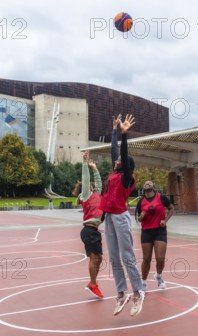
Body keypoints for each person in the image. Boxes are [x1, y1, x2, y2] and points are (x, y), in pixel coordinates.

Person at [99, 114, 145, 317]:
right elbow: (114, 151)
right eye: (116, 160)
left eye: (120, 160)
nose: (116, 160)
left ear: (126, 165)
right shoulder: (114, 174)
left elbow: (122, 154)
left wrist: (124, 135)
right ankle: (121, 294)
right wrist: (114, 131)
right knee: (114, 258)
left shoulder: (127, 178)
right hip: (109, 218)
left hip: (121, 217)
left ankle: (137, 292)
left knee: (127, 257)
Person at [72, 151, 104, 299]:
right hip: (89, 230)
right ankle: (93, 284)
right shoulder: (85, 195)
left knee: (99, 258)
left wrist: (94, 168)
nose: (91, 185)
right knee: (94, 258)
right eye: (89, 185)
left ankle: (93, 283)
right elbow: (86, 180)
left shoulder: (96, 193)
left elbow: (99, 183)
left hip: (94, 230)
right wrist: (84, 163)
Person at [136, 181, 174, 291]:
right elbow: (139, 218)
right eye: (145, 183)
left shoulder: (161, 198)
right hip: (147, 232)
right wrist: (141, 217)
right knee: (146, 259)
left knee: (160, 259)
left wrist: (165, 220)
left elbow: (171, 209)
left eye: (149, 182)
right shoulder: (141, 202)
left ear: (153, 186)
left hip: (160, 231)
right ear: (143, 187)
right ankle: (143, 283)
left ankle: (158, 276)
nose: (147, 183)